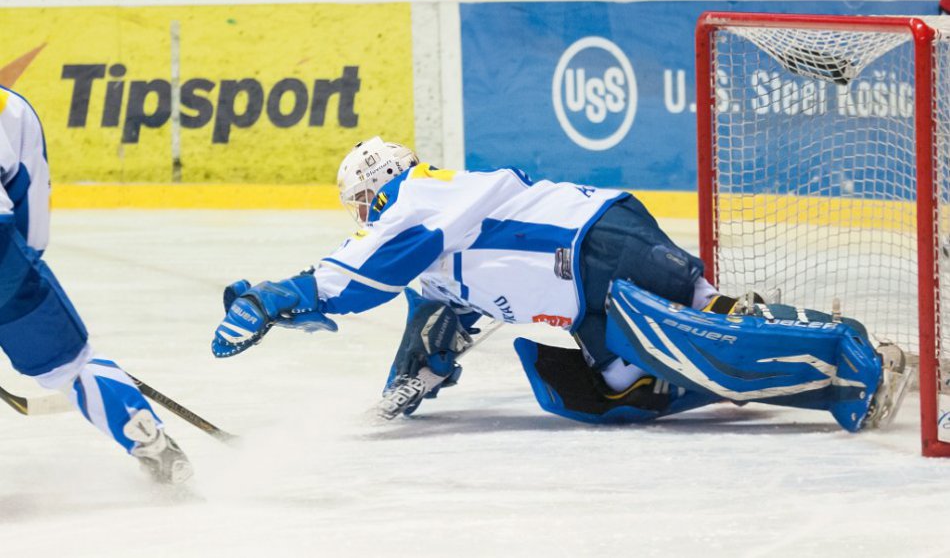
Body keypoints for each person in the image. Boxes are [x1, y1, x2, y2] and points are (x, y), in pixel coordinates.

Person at [211, 137, 908, 432]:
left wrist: (281, 296)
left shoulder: (419, 198)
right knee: (622, 385)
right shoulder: (433, 232)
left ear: (374, 190)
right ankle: (824, 348)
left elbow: (360, 271)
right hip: (592, 274)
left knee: (689, 339)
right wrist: (409, 384)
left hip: (595, 250)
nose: (362, 219)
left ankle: (854, 363)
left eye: (361, 207)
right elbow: (435, 316)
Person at [0, 85, 192, 485]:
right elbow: (30, 217)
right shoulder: (11, 106)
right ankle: (151, 444)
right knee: (70, 363)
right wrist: (19, 279)